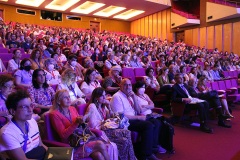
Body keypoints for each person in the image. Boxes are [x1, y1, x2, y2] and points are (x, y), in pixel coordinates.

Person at [49, 89, 113, 160]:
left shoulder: (72, 108)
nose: (68, 99)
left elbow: (80, 126)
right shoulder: (54, 115)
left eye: (69, 97)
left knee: (98, 155)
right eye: (65, 97)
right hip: (71, 145)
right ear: (58, 101)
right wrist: (76, 122)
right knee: (100, 144)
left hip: (82, 140)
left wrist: (82, 121)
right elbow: (63, 136)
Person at [110, 78, 161, 160]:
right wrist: (139, 117)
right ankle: (145, 155)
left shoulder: (130, 96)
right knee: (148, 125)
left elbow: (138, 110)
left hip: (134, 117)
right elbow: (120, 116)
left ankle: (152, 149)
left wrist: (134, 97)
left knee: (156, 122)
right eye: (125, 85)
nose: (128, 87)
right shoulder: (117, 97)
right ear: (120, 86)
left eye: (130, 85)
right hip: (125, 121)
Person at [84, 87, 136, 160]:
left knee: (126, 135)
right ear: (96, 97)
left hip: (107, 129)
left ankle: (131, 158)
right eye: (102, 96)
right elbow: (92, 125)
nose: (104, 97)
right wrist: (103, 123)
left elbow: (110, 117)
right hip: (99, 133)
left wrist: (108, 106)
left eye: (105, 95)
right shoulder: (92, 106)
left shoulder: (103, 106)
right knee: (125, 136)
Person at [0, 90, 47, 159]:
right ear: (12, 111)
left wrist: (53, 155)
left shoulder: (32, 121)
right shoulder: (7, 133)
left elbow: (41, 145)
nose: (30, 110)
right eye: (24, 107)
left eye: (31, 105)